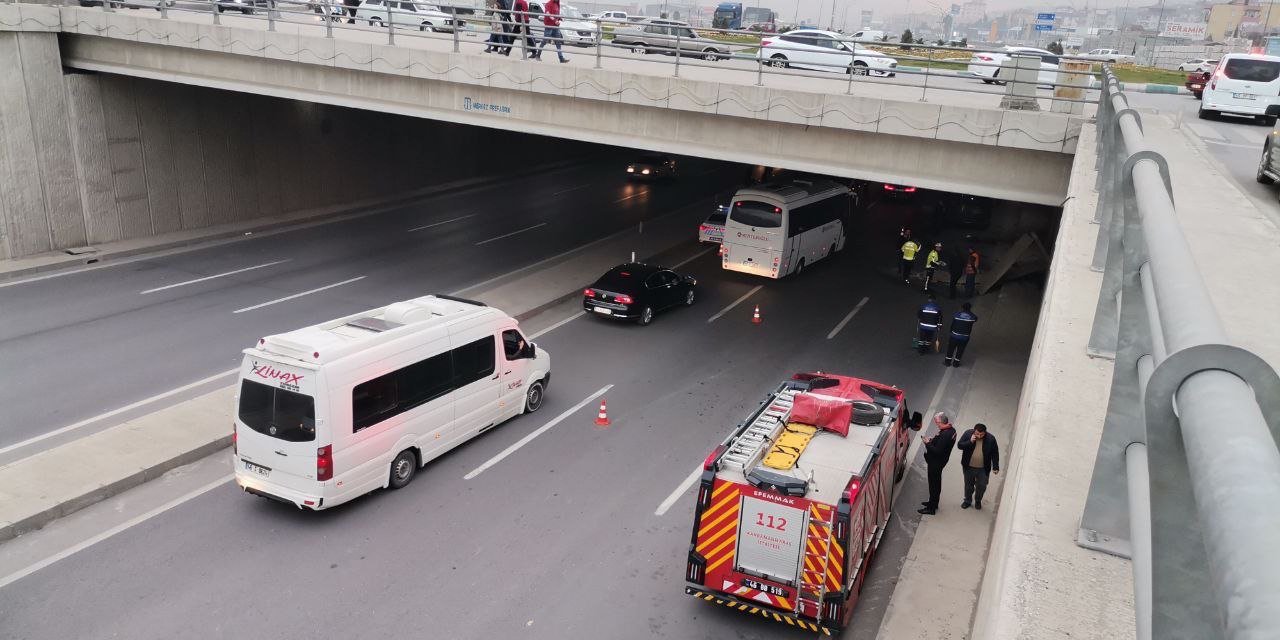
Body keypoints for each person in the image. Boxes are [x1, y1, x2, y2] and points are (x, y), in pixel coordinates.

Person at [918, 412, 957, 515]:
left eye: (937, 422)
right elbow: (942, 445)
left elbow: (937, 451)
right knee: (936, 484)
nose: (936, 424)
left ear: (941, 422)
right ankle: (933, 503)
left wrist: (927, 443)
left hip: (936, 463)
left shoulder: (945, 434)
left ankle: (931, 509)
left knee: (934, 485)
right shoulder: (951, 430)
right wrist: (933, 440)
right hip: (941, 461)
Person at [957, 423, 999, 510]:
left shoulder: (991, 439)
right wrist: (970, 441)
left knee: (982, 486)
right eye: (977, 434)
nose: (979, 436)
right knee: (968, 486)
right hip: (968, 467)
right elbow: (959, 445)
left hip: (983, 469)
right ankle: (967, 501)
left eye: (981, 434)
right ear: (974, 431)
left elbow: (995, 453)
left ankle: (978, 500)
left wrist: (995, 466)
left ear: (985, 432)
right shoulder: (968, 434)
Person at [944, 302, 978, 367]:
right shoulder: (972, 316)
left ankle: (947, 362)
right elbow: (976, 319)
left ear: (962, 307)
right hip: (964, 337)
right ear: (970, 308)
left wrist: (951, 332)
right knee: (960, 350)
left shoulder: (957, 314)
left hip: (954, 336)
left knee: (950, 349)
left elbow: (953, 324)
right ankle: (956, 364)